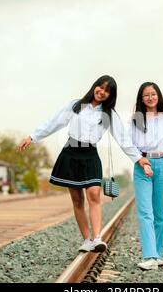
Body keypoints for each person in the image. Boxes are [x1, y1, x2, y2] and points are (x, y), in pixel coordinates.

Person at [17, 75, 151, 253]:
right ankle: (87, 239)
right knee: (77, 199)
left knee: (94, 194)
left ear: (111, 96)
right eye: (100, 87)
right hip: (71, 152)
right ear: (95, 86)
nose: (102, 92)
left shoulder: (108, 114)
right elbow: (54, 122)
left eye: (107, 91)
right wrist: (33, 137)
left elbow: (122, 138)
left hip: (90, 154)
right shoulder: (76, 105)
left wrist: (138, 158)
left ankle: (97, 238)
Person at [131, 82, 163, 270]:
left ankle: (158, 254)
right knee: (146, 212)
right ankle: (150, 256)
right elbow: (132, 145)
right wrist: (141, 162)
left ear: (158, 96)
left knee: (161, 213)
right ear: (141, 98)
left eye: (153, 94)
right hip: (142, 165)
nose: (150, 97)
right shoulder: (137, 118)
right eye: (146, 95)